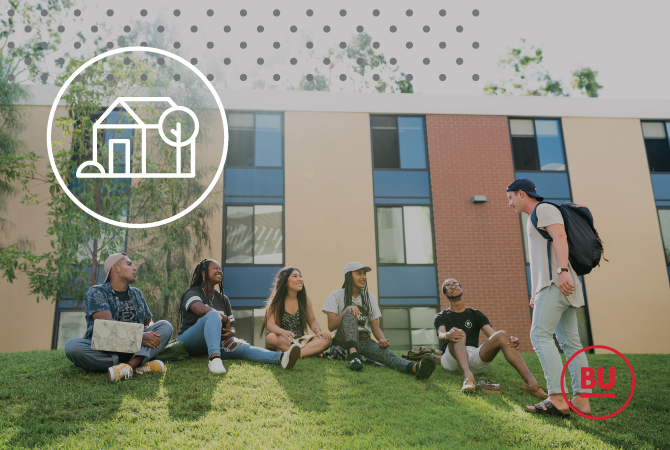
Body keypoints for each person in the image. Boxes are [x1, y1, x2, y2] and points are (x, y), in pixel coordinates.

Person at [507, 178, 591, 416]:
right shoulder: (535, 217)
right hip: (555, 284)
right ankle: (582, 401)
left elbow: (560, 237)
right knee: (572, 344)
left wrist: (562, 271)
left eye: (510, 197)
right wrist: (537, 291)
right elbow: (541, 257)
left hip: (557, 282)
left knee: (539, 334)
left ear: (521, 194)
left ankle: (556, 397)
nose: (509, 203)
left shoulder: (544, 209)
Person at [176, 259, 300, 374]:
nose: (220, 271)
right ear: (203, 272)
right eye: (215, 268)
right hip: (190, 342)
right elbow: (201, 310)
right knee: (212, 314)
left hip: (215, 342)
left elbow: (232, 327)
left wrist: (230, 332)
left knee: (244, 347)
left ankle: (281, 358)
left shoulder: (223, 299)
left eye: (220, 269)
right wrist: (224, 319)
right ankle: (215, 360)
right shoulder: (192, 292)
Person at [64, 252, 173, 382]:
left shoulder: (136, 293)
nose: (134, 267)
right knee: (73, 347)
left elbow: (148, 323)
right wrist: (139, 337)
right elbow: (107, 327)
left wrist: (150, 334)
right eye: (129, 264)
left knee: (165, 327)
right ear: (115, 268)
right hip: (105, 349)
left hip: (134, 348)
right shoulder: (96, 292)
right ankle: (141, 363)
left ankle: (129, 367)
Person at [435, 278, 548, 398]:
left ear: (461, 288)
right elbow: (441, 335)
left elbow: (493, 336)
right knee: (459, 332)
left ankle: (531, 383)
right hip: (451, 358)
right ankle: (468, 378)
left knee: (502, 334)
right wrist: (448, 335)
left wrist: (508, 341)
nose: (453, 287)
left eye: (455, 284)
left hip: (474, 358)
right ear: (445, 294)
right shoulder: (441, 316)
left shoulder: (476, 314)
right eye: (448, 286)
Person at [323, 262, 436, 380]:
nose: (363, 277)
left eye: (364, 274)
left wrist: (382, 340)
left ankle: (416, 368)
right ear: (348, 276)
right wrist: (347, 310)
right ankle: (354, 356)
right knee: (350, 310)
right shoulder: (336, 295)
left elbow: (375, 327)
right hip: (343, 339)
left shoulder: (370, 297)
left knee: (386, 354)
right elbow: (331, 326)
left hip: (364, 339)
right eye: (358, 274)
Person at [262, 266, 332, 357]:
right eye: (295, 276)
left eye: (300, 276)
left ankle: (297, 353)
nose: (300, 279)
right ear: (285, 282)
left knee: (327, 340)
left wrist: (318, 332)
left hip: (301, 340)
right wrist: (283, 332)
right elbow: (270, 324)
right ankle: (306, 352)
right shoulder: (277, 300)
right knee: (271, 338)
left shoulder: (304, 299)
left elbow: (312, 321)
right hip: (283, 340)